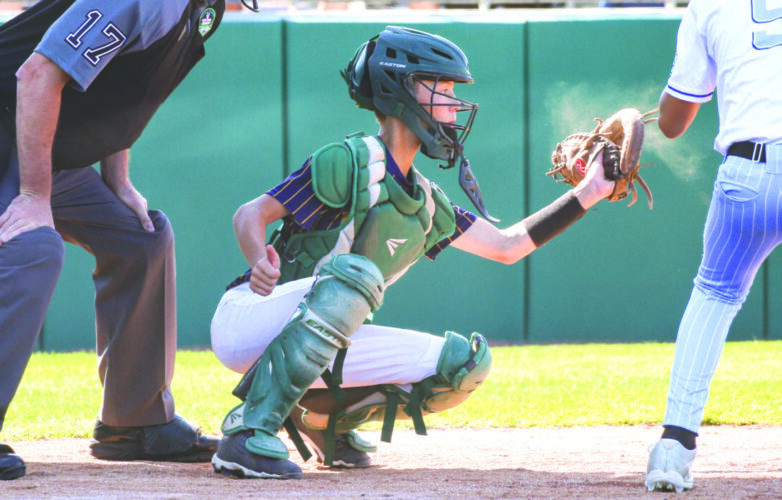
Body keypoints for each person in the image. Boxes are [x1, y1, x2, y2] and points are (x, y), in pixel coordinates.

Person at [208, 25, 616, 480]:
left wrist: (589, 193)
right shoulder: (350, 160)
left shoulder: (425, 200)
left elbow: (508, 246)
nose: (452, 101)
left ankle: (323, 419)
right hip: (250, 316)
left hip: (322, 335)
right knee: (356, 276)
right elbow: (250, 214)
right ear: (399, 88)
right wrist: (257, 259)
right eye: (440, 86)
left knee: (463, 366)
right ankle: (248, 432)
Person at [0, 0, 227, 481]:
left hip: (35, 148)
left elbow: (120, 89)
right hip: (11, 137)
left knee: (140, 238)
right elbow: (37, 74)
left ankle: (133, 422)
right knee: (34, 249)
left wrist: (117, 179)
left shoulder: (204, 7)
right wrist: (34, 195)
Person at [645, 0, 782, 493]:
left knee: (714, 296)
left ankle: (673, 449)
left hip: (749, 171)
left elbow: (673, 121)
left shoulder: (708, 4)